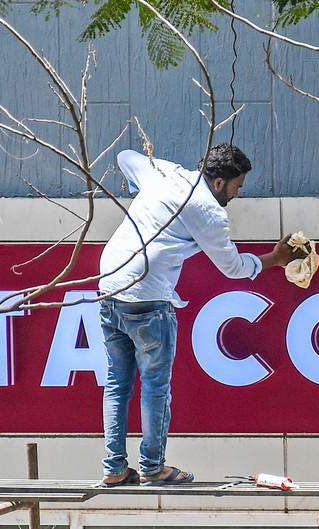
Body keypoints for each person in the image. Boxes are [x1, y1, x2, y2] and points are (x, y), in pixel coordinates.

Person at [97, 143, 301, 486]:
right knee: (155, 387)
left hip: (110, 286)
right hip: (148, 296)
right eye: (236, 187)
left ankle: (114, 469)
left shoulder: (164, 173)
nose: (236, 195)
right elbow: (233, 267)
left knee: (118, 384)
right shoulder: (209, 212)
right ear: (218, 182)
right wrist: (275, 259)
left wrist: (148, 170)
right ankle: (152, 467)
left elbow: (124, 157)